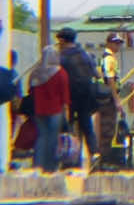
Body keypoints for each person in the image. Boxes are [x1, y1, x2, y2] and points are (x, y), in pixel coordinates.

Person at [56, 27, 98, 169]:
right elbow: (96, 74)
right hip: (87, 96)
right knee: (87, 126)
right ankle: (94, 154)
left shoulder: (62, 57)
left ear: (62, 40)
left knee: (66, 127)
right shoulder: (85, 54)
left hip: (70, 97)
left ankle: (69, 157)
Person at [28, 45, 69, 173]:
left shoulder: (35, 72)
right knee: (52, 138)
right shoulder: (60, 72)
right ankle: (50, 166)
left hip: (38, 110)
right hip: (55, 110)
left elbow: (30, 91)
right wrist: (66, 109)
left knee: (41, 137)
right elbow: (65, 94)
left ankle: (38, 164)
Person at [97, 32, 125, 167]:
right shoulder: (109, 58)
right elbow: (110, 80)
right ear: (108, 43)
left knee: (107, 129)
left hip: (106, 97)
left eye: (119, 43)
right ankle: (104, 160)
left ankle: (103, 159)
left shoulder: (109, 57)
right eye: (115, 42)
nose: (118, 45)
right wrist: (116, 99)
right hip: (108, 99)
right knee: (107, 129)